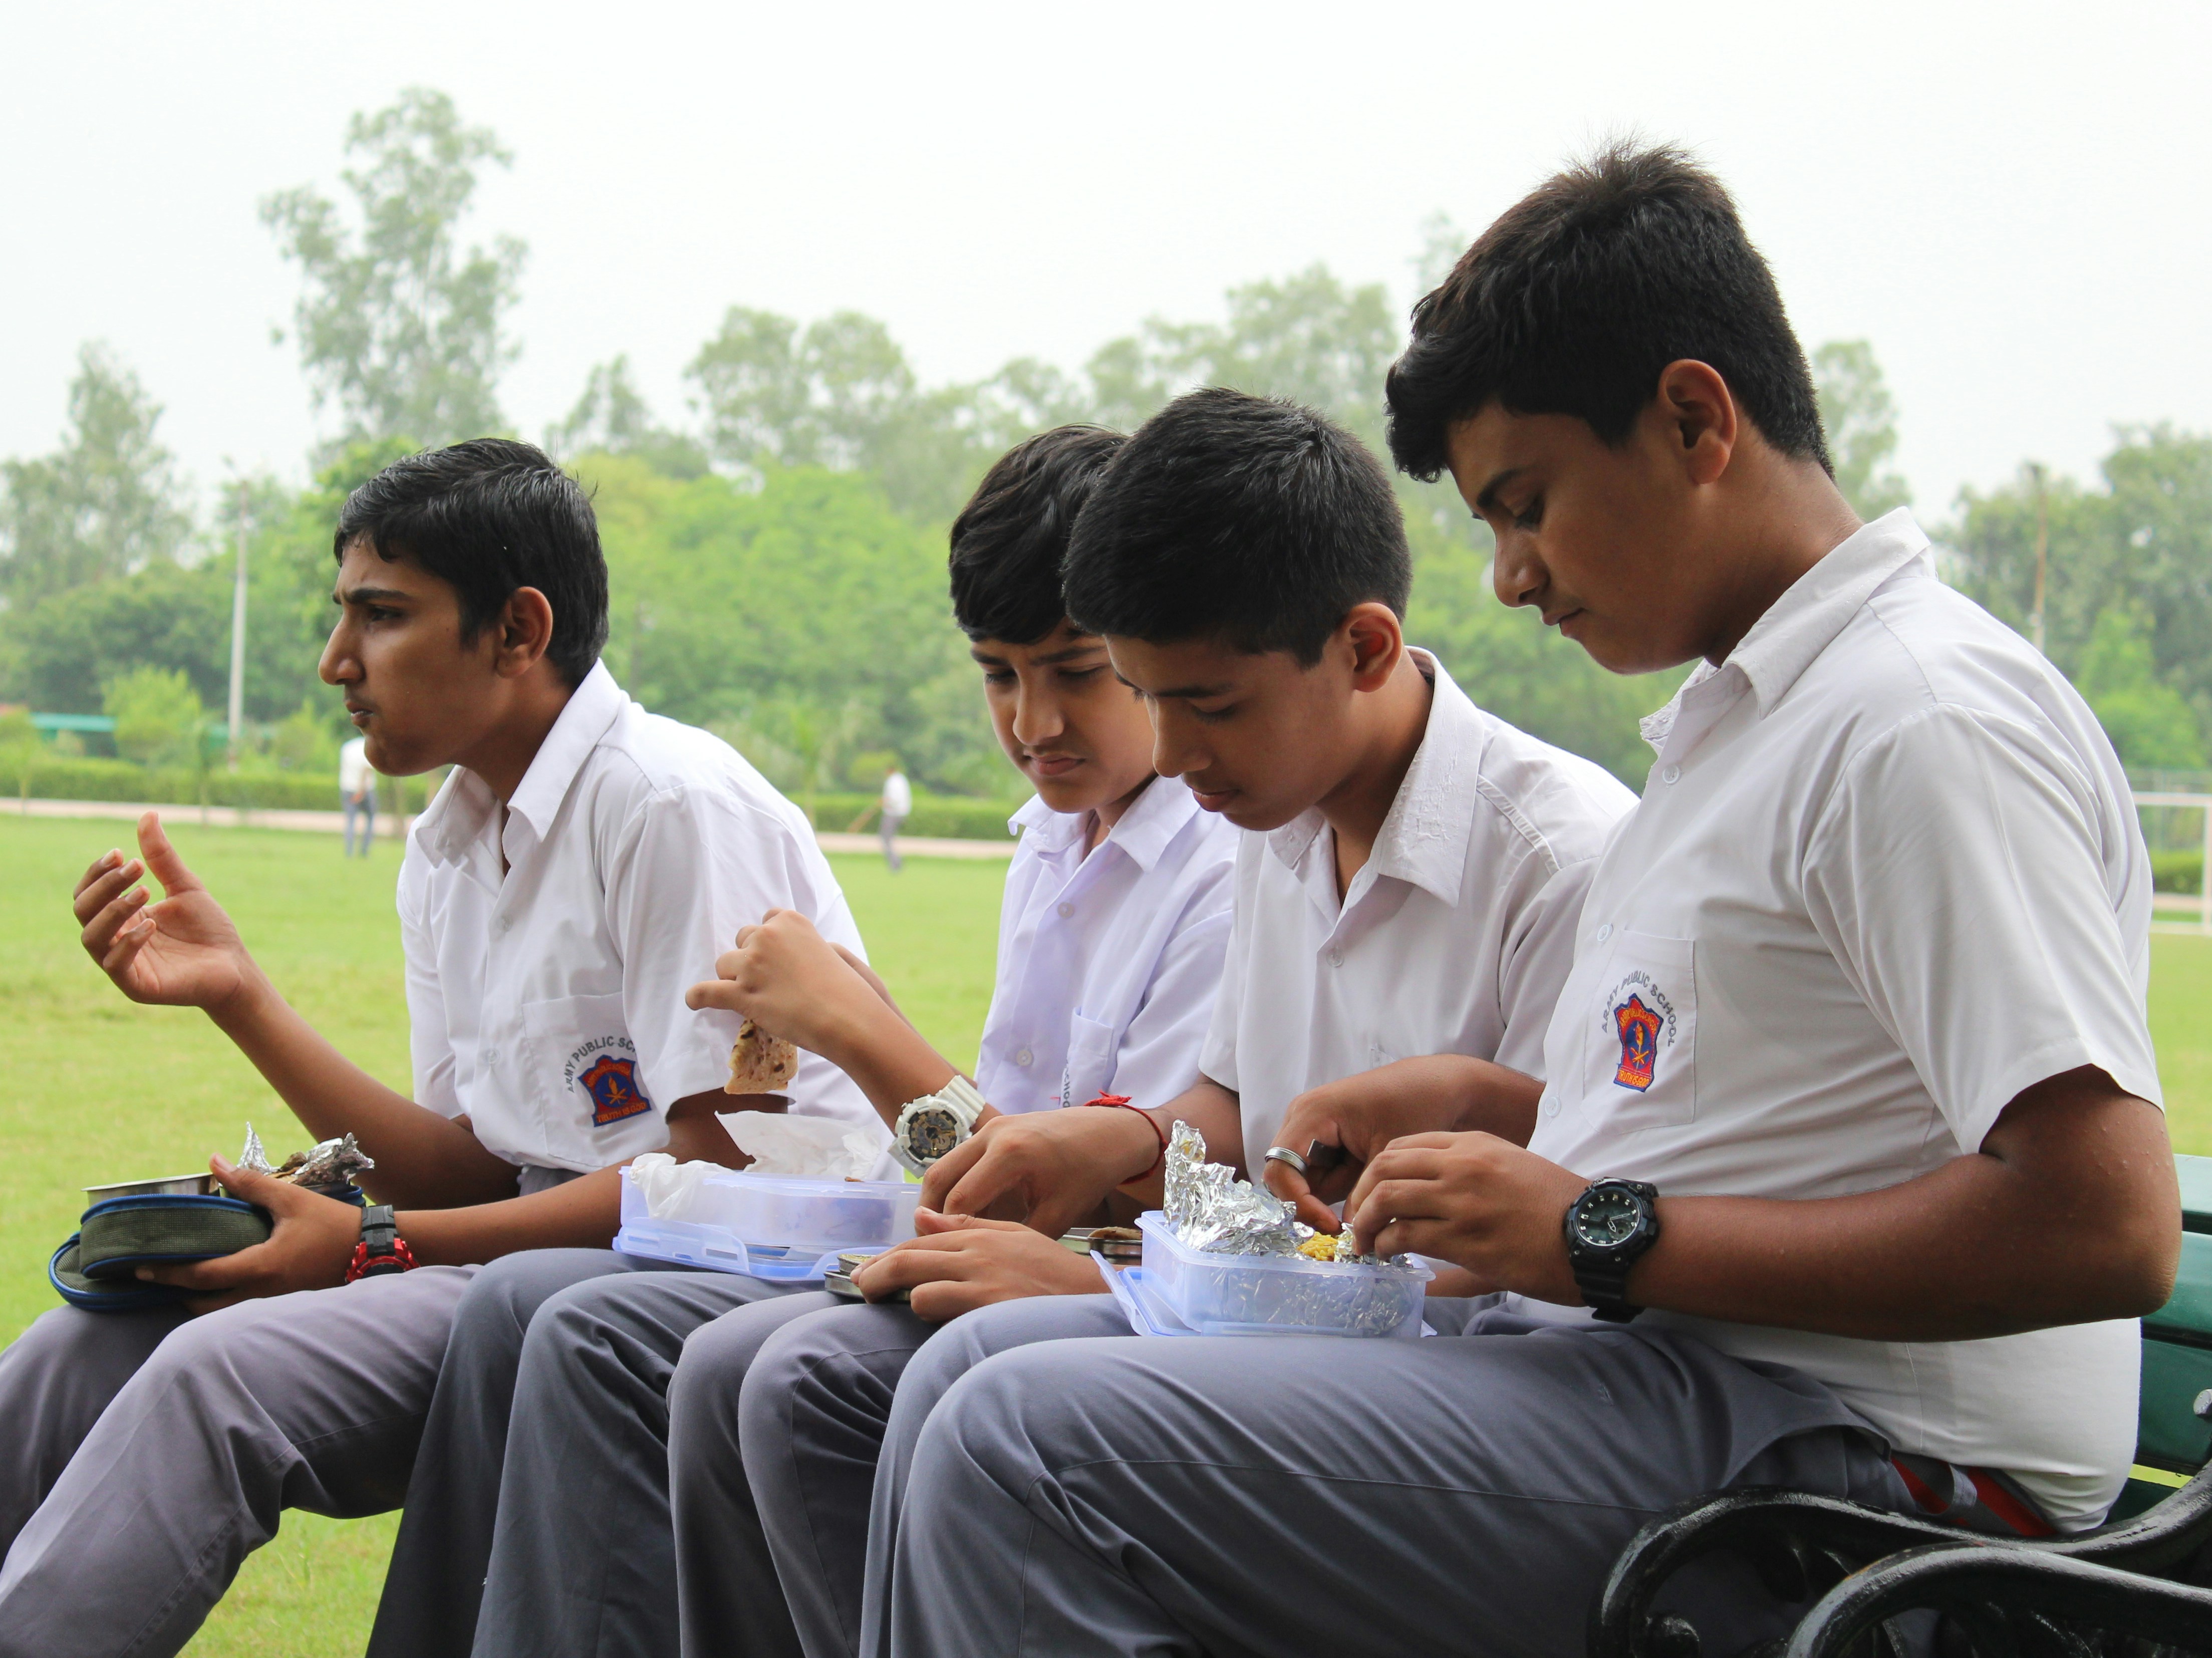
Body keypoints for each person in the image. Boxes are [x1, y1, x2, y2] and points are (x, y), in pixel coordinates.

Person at [863, 145, 2180, 1658]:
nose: (1505, 578)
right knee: (970, 1386)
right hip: (1668, 1384)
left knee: (1021, 1439)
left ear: (1695, 419)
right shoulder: (1753, 723)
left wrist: (1604, 1234)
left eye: (1529, 504)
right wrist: (1493, 1108)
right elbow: (1776, 1125)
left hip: (1867, 1472)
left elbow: (2106, 1221)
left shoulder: (1916, 720)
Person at [0, 439, 881, 1658]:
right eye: (343, 615)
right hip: (508, 1261)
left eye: (380, 616)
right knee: (85, 1346)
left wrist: (378, 1241)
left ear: (517, 628)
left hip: (658, 1298)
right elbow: (477, 1162)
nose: (337, 661)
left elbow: (719, 1180)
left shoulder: (665, 804)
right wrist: (241, 999)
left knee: (211, 1380)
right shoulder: (450, 845)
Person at [695, 386, 1637, 1658]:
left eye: (1206, 701)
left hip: (1445, 1362)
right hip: (1261, 1308)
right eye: (1147, 694)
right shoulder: (1272, 809)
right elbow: (1236, 1113)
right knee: (811, 1383)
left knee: (983, 1401)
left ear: (1361, 648)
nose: (1175, 750)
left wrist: (1109, 1277)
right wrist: (1116, 1140)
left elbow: (1528, 1262)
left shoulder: (1558, 860)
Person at [371, 423, 1244, 1658]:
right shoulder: (1058, 839)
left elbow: (1088, 1201)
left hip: (1108, 1290)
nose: (1031, 719)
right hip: (961, 1240)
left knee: (691, 1355)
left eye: (1076, 671)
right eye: (997, 674)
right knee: (557, 1317)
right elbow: (1000, 1159)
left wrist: (857, 1025)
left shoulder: (1220, 861)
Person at [340, 729, 376, 856]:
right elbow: (366, 770)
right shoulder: (367, 746)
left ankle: (349, 851)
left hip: (347, 787)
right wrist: (361, 791)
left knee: (350, 821)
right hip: (366, 789)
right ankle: (364, 851)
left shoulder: (346, 748)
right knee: (370, 819)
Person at [877, 763, 912, 871]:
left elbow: (894, 799)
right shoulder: (902, 779)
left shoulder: (893, 781)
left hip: (893, 814)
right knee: (887, 838)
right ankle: (895, 861)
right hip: (901, 813)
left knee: (885, 838)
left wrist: (885, 802)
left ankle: (895, 862)